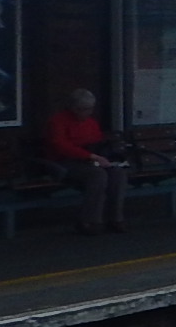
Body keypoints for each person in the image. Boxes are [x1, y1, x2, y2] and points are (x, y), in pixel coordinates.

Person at [46, 87, 129, 235]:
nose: (87, 113)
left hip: (88, 160)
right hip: (64, 162)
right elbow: (61, 146)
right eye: (82, 109)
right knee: (97, 175)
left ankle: (116, 217)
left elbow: (97, 142)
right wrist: (91, 156)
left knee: (118, 173)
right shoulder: (58, 121)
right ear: (72, 107)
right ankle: (90, 220)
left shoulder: (91, 123)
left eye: (89, 109)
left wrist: (104, 155)